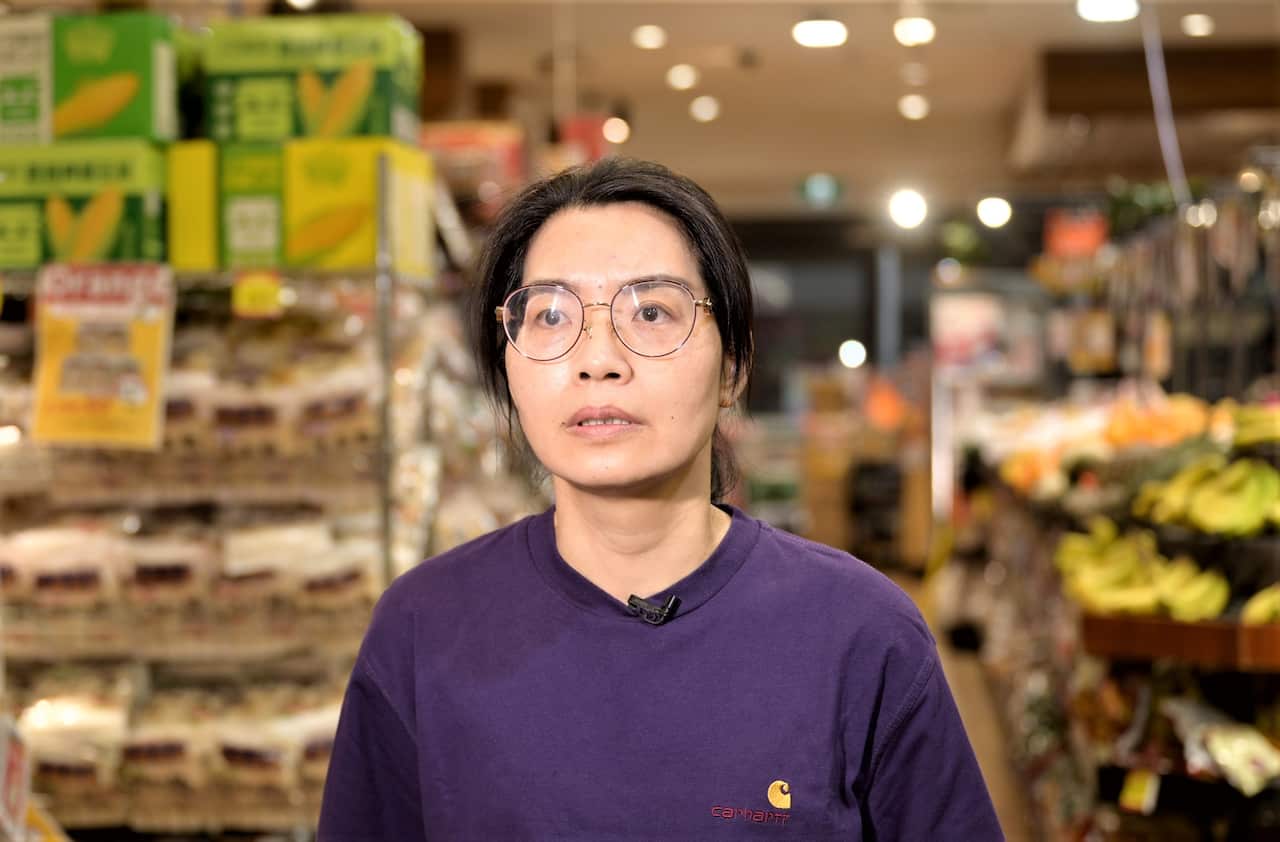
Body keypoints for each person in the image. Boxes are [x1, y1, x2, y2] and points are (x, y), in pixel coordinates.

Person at [318, 158, 1003, 840]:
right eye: (550, 314)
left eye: (651, 312)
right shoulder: (423, 628)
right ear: (507, 364)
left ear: (733, 366)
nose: (598, 360)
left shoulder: (861, 631)